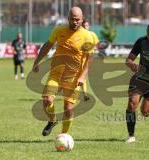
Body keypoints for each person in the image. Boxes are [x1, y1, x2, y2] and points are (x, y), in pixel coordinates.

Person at [32, 7, 94, 136]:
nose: (75, 22)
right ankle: (52, 120)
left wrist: (82, 77)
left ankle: (64, 135)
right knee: (47, 100)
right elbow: (47, 45)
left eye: (77, 19)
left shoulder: (87, 37)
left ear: (82, 20)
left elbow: (89, 60)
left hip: (73, 77)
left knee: (68, 108)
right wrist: (36, 61)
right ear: (68, 19)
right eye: (72, 19)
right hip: (56, 74)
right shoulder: (59, 30)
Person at [81, 19, 99, 101]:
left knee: (83, 77)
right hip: (79, 58)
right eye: (84, 26)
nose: (85, 27)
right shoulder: (79, 35)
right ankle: (83, 94)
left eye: (87, 25)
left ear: (89, 26)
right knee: (80, 76)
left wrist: (94, 48)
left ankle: (84, 95)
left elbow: (96, 44)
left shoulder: (92, 34)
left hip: (88, 58)